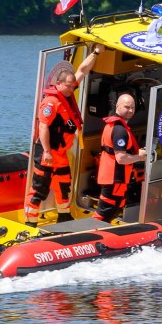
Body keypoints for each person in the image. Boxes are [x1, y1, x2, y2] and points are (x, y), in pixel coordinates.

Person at [25, 44, 102, 226]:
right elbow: (43, 127)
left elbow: (82, 70)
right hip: (48, 152)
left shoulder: (66, 96)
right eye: (67, 86)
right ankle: (30, 222)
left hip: (61, 153)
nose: (70, 88)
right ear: (57, 84)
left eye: (72, 86)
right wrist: (46, 151)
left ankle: (64, 216)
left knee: (63, 184)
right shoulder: (51, 103)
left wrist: (96, 52)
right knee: (40, 187)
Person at [94, 93, 147, 223]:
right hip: (114, 177)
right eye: (127, 107)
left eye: (133, 107)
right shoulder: (119, 130)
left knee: (115, 206)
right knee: (105, 210)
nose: (130, 111)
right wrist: (139, 157)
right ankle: (89, 236)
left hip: (113, 177)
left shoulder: (115, 126)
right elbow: (121, 158)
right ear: (117, 106)